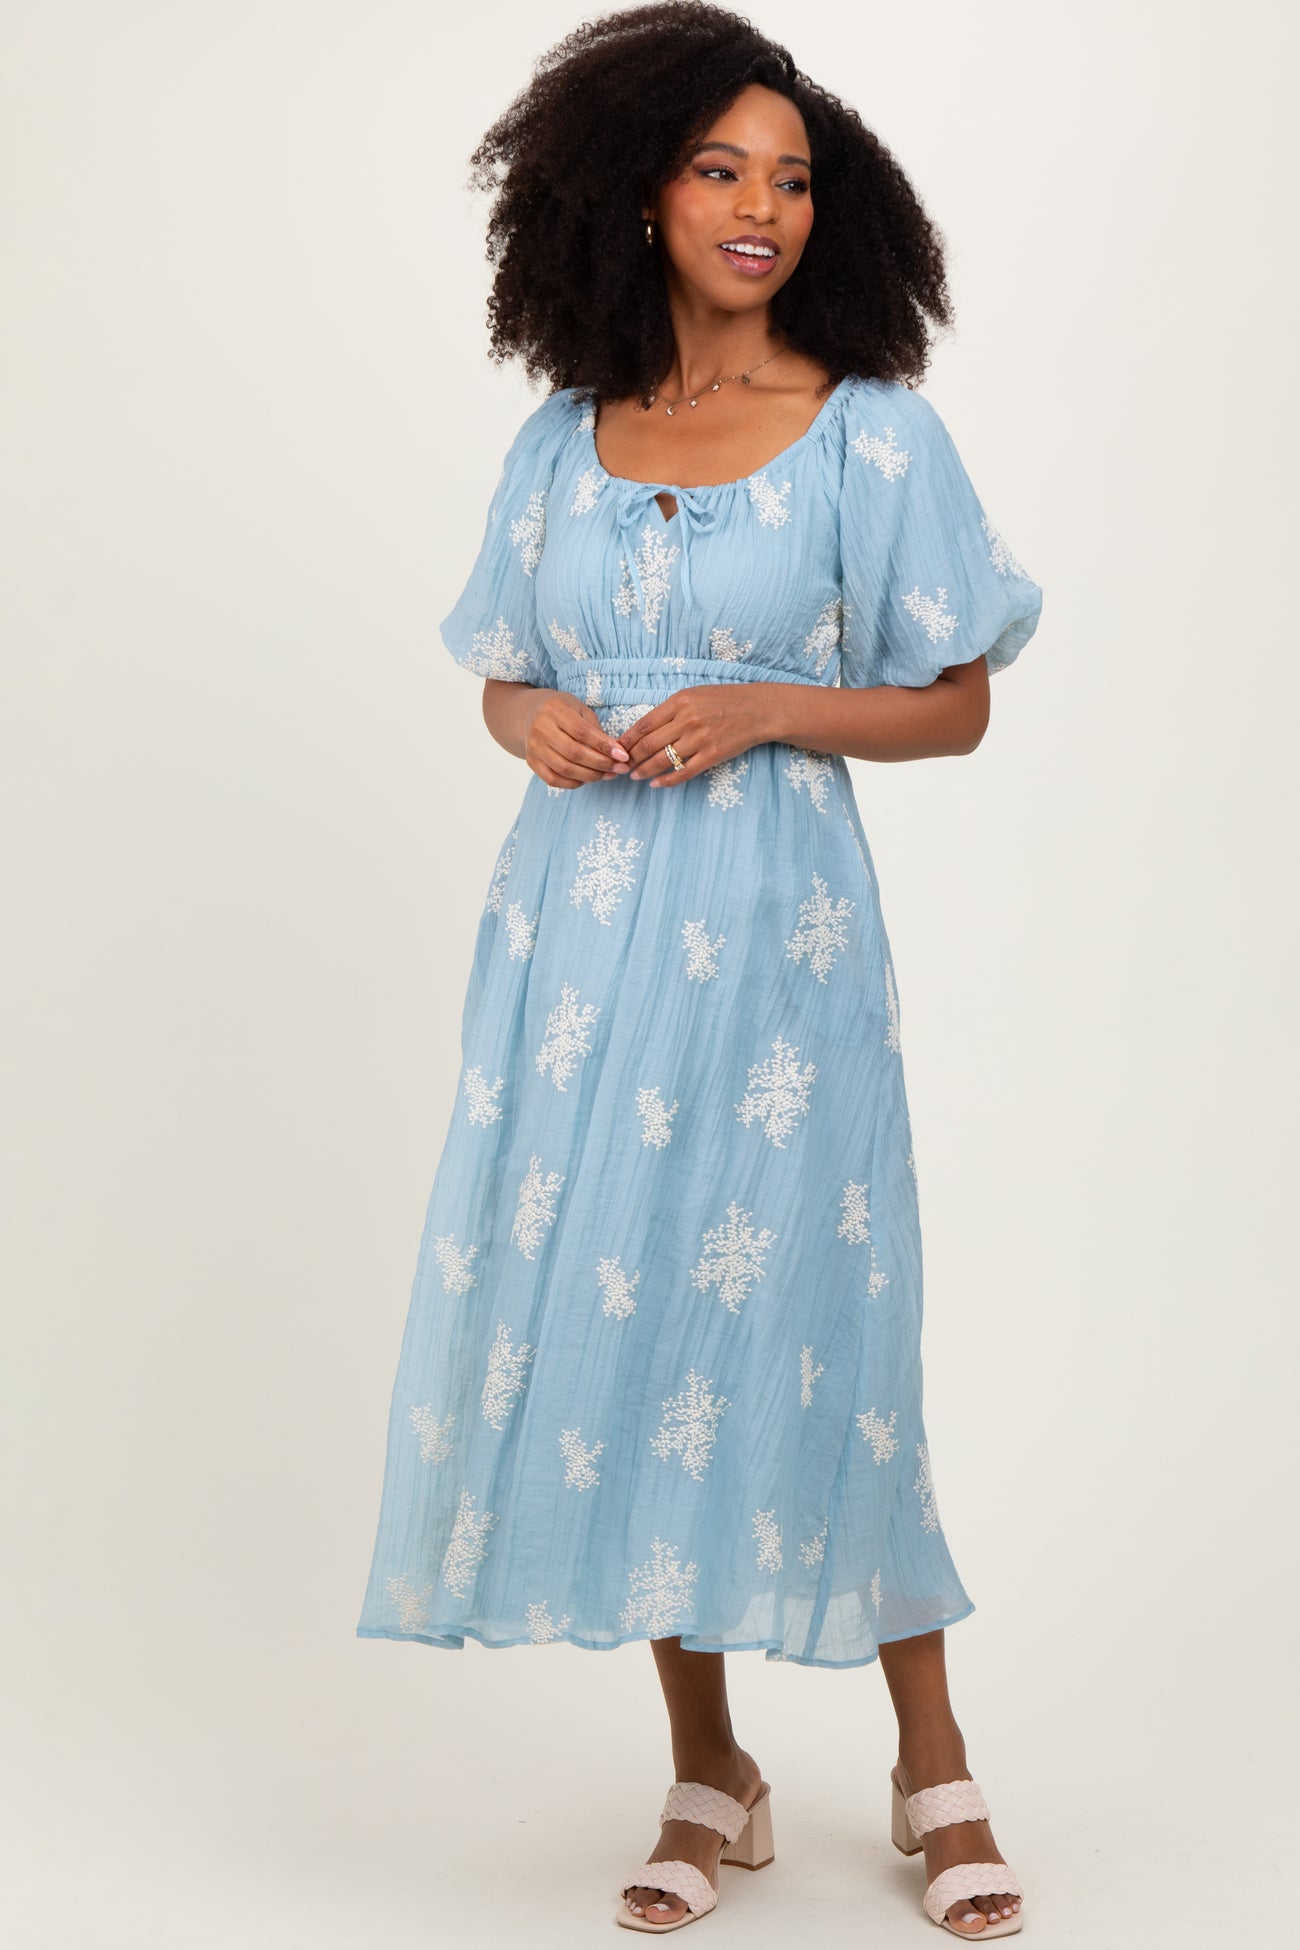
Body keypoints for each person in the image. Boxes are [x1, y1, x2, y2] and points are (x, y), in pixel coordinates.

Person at [356, 4, 1042, 1937]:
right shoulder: (563, 439)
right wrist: (532, 724)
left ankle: (929, 1760)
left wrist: (767, 705)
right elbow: (504, 669)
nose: (762, 206)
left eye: (794, 178)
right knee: (627, 1320)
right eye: (721, 168)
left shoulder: (876, 431)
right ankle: (709, 1766)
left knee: (827, 1320)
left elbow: (959, 699)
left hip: (778, 951)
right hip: (579, 944)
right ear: (635, 194)